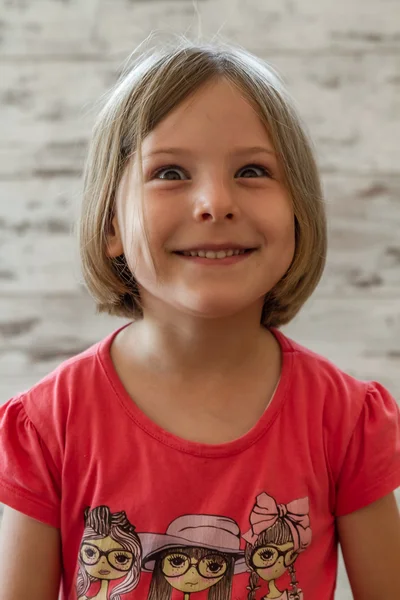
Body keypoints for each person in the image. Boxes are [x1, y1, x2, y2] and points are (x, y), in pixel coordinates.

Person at [0, 36, 399, 600]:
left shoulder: (347, 421)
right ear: (112, 224)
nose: (215, 201)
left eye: (253, 171)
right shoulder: (47, 427)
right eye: (169, 173)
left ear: (300, 211)